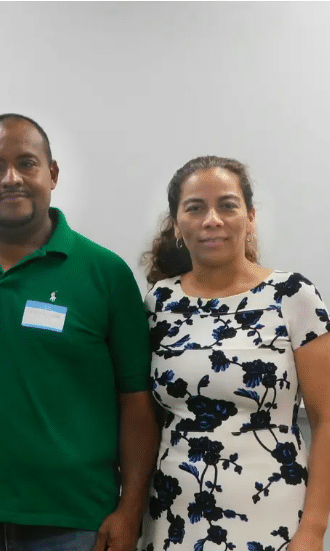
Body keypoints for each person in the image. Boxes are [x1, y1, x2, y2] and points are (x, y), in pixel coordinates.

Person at [0, 113, 159, 551]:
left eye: (27, 163)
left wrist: (132, 506)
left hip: (75, 522)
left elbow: (135, 401)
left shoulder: (106, 273)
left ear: (52, 174)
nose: (11, 179)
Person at [138, 156, 330, 551]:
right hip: (174, 518)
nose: (212, 219)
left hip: (273, 519)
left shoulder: (293, 295)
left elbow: (327, 419)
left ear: (250, 216)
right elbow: (146, 419)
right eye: (195, 207)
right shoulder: (159, 301)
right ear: (177, 224)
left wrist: (313, 530)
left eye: (227, 205)